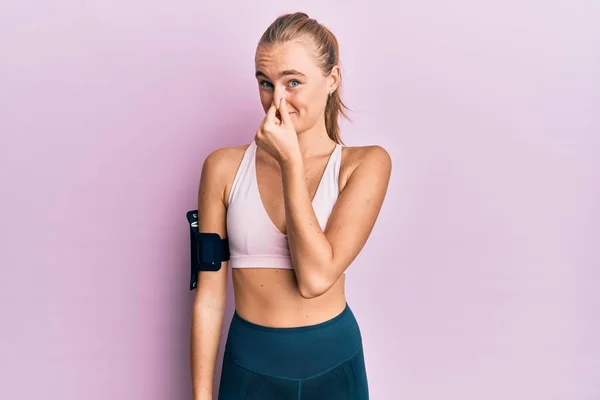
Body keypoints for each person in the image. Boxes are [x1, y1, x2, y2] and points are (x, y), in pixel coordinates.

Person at [190, 12, 392, 400]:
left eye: (293, 82)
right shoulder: (223, 168)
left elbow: (315, 279)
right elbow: (210, 295)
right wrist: (200, 397)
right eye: (266, 83)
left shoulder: (364, 165)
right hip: (250, 365)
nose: (276, 100)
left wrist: (290, 164)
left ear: (331, 80)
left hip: (334, 365)